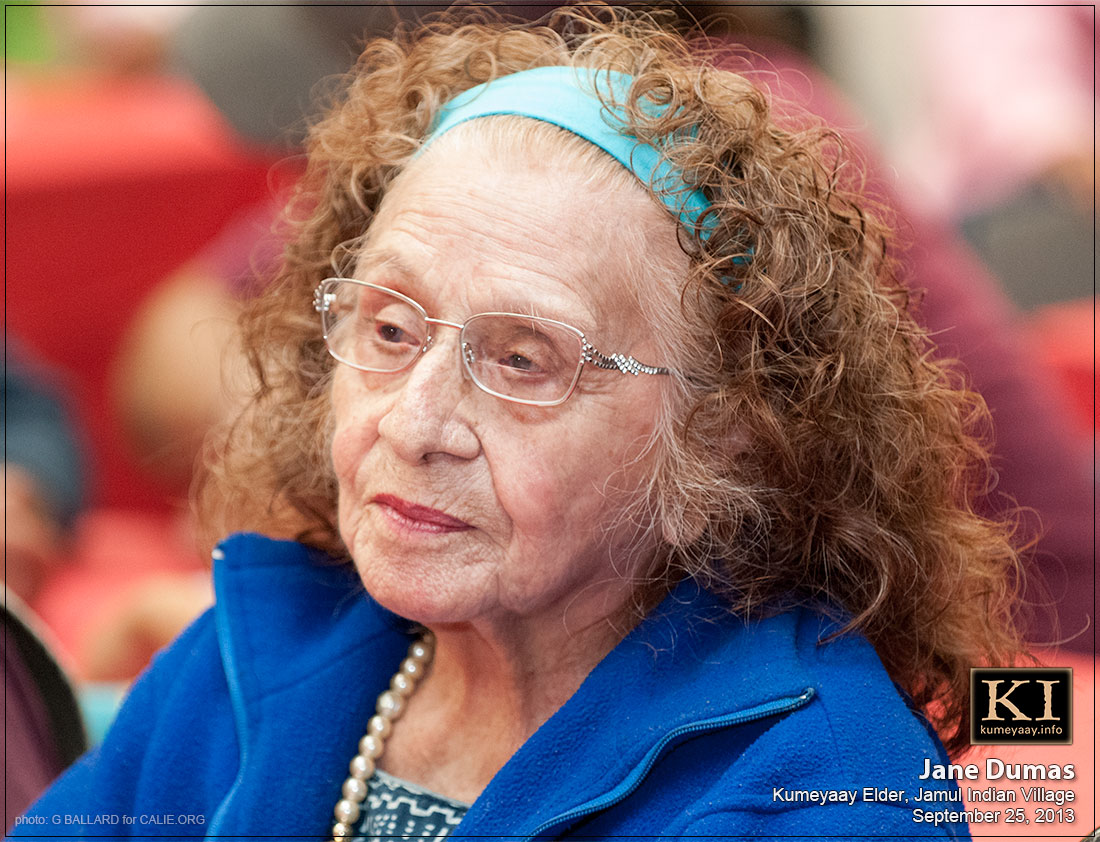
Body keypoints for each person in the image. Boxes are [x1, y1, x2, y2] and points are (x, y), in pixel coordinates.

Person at [15, 8, 1024, 840]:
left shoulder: (816, 791)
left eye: (521, 359)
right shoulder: (250, 659)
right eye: (390, 326)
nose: (415, 423)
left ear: (720, 432)